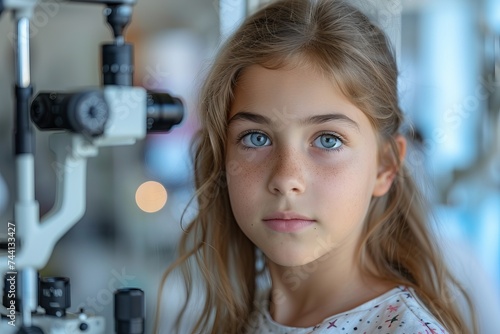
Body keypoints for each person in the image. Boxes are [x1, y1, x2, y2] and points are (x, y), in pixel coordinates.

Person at [155, 0, 476, 333]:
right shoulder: (243, 319)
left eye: (328, 140)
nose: (286, 178)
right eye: (256, 138)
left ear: (384, 166)